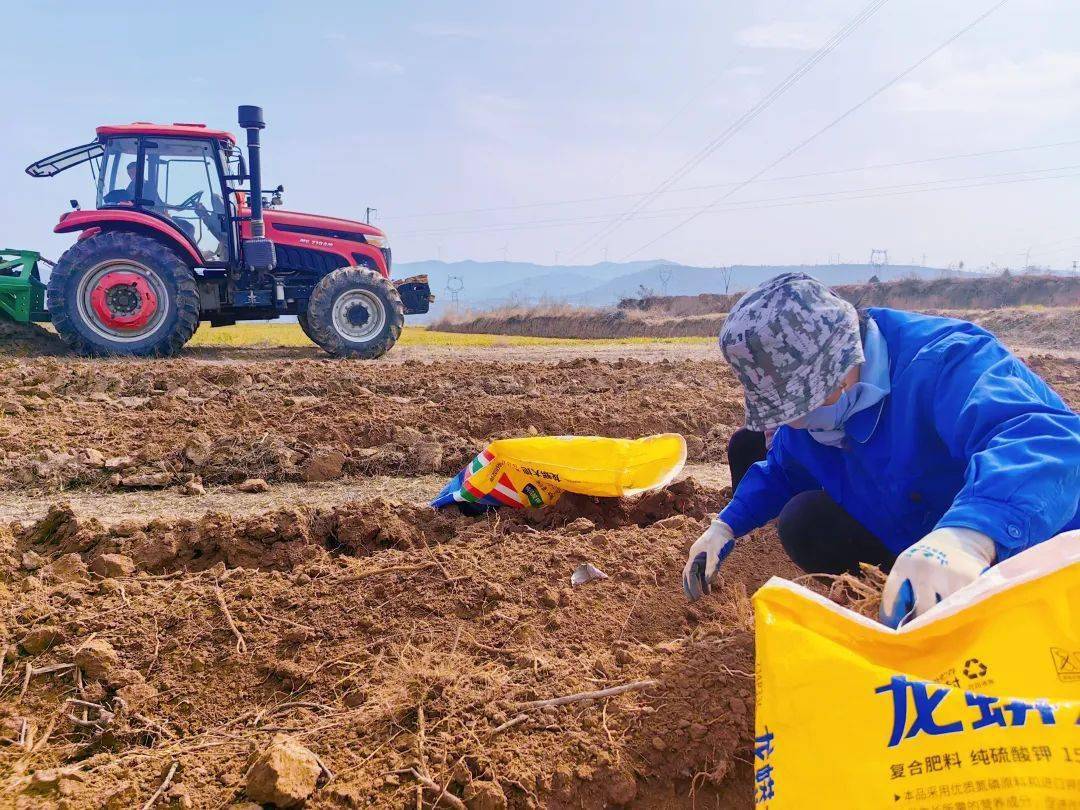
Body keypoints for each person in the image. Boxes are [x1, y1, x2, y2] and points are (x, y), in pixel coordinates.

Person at [682, 272, 1080, 627]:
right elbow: (784, 468)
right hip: (923, 539)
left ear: (845, 356)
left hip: (1036, 545)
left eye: (806, 401)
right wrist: (725, 526)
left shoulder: (946, 360)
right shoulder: (818, 418)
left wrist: (970, 535)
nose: (797, 422)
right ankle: (912, 605)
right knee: (805, 520)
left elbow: (1044, 440)